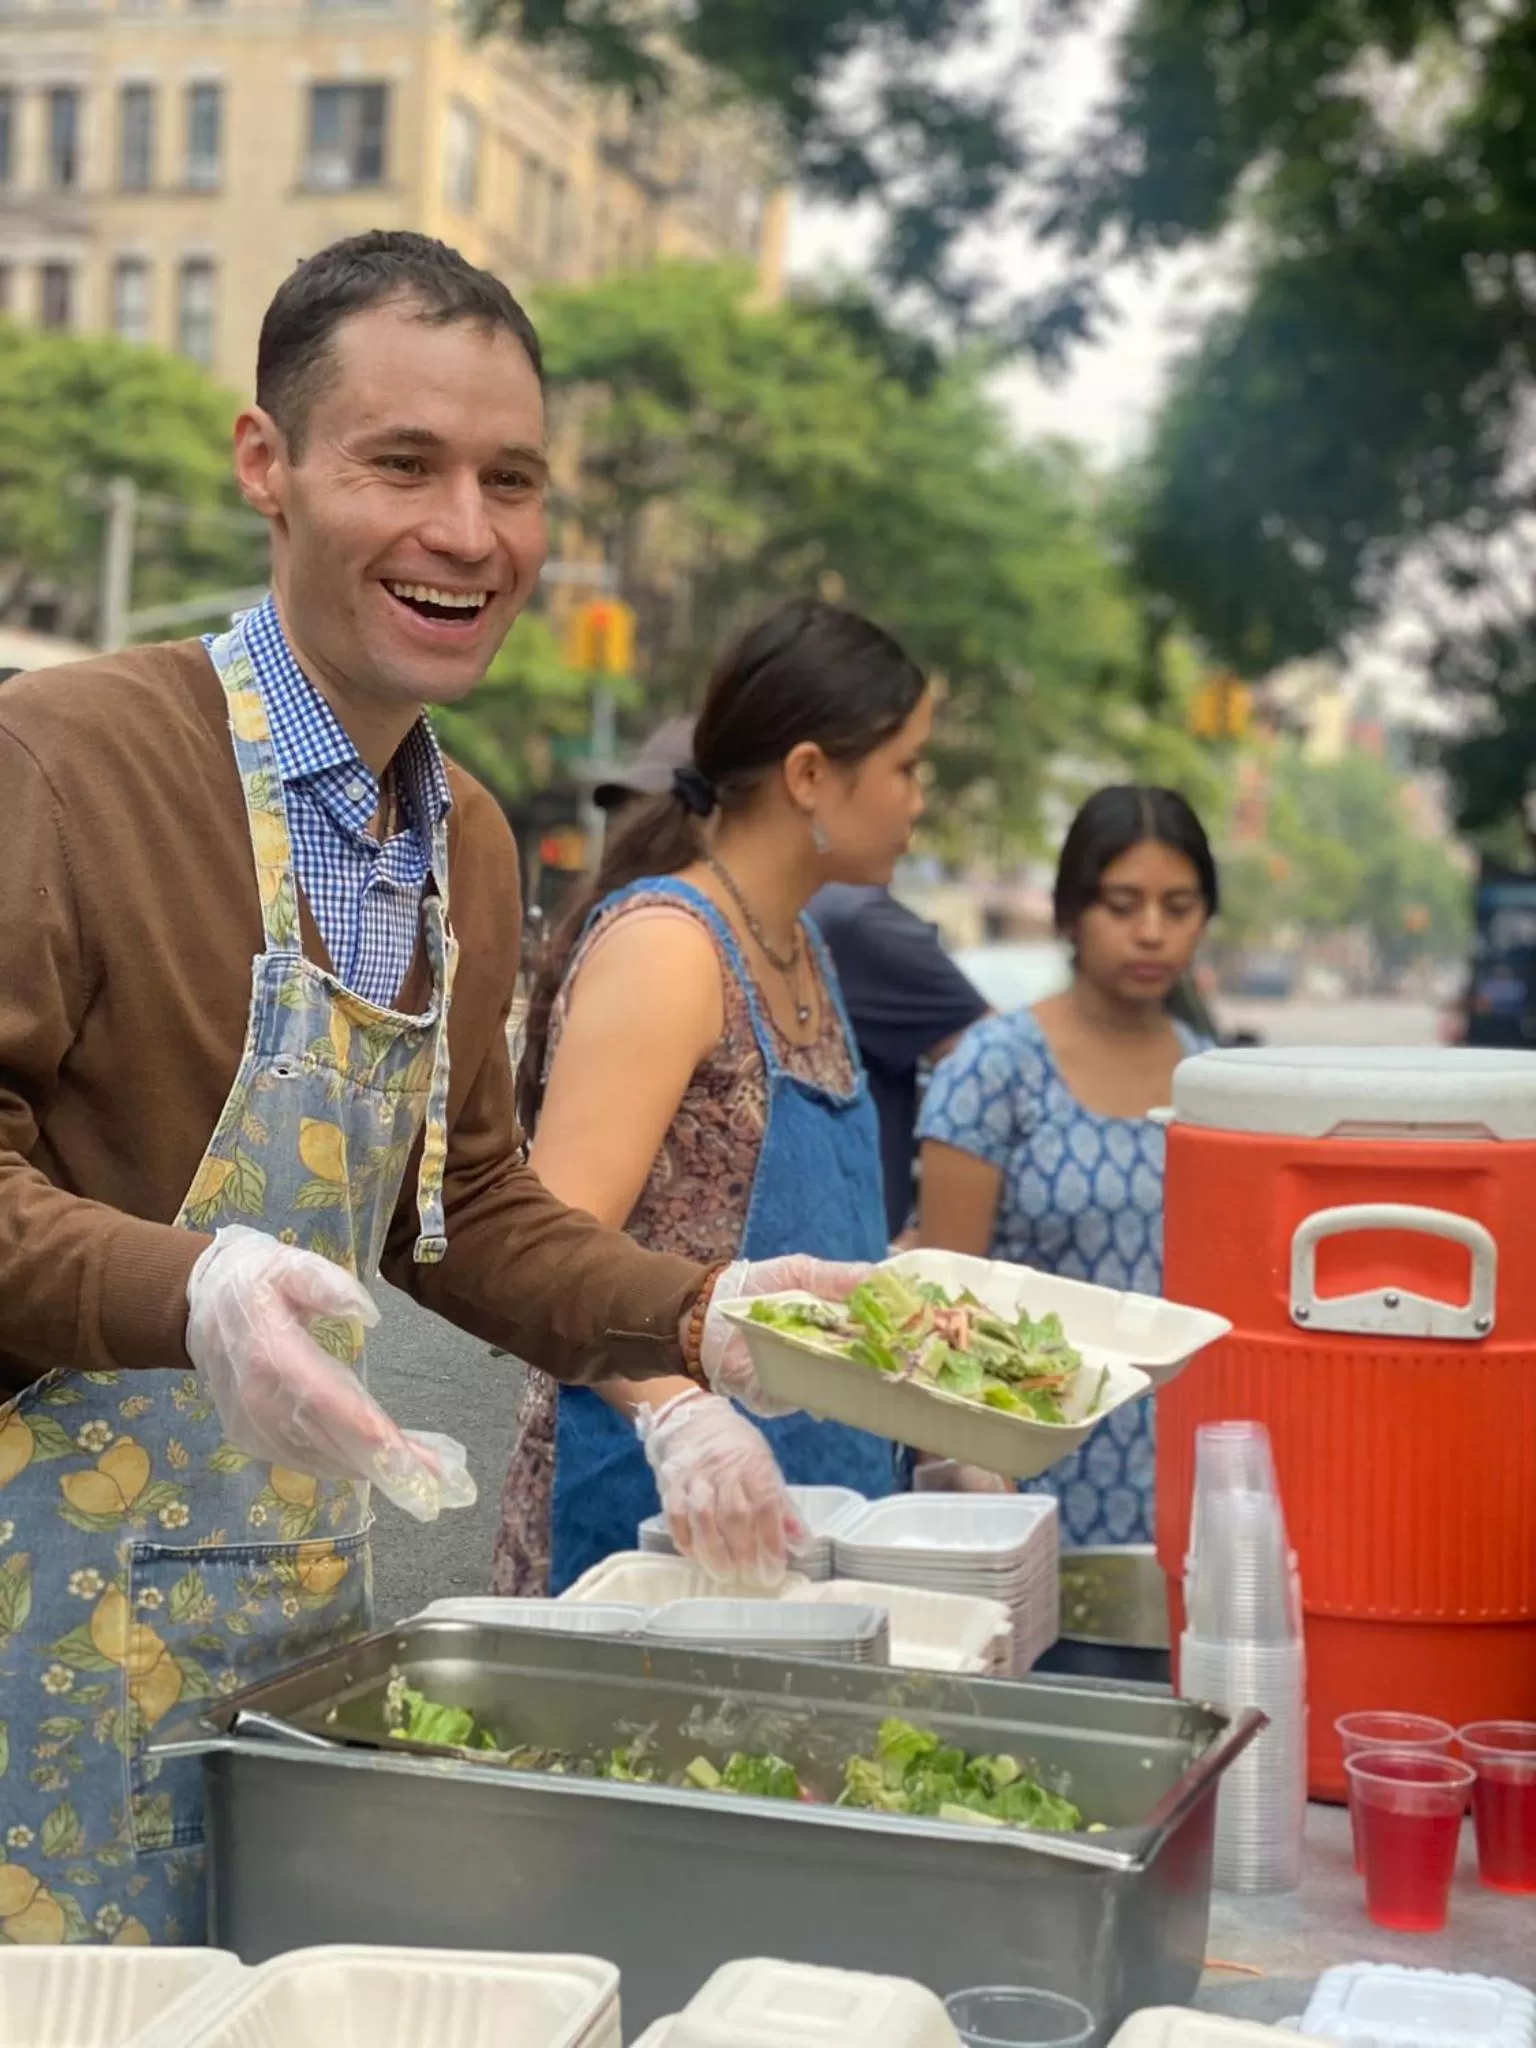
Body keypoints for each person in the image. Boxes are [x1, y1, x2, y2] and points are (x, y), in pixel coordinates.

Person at [0, 231, 855, 1943]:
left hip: (295, 1627)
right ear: (268, 464)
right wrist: (197, 1286)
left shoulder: (462, 837)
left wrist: (701, 1319)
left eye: (510, 479)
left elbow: (462, 1211)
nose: (469, 532)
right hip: (35, 1634)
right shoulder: (65, 760)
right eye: (403, 464)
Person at [492, 600, 932, 1597]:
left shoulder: (802, 945)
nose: (919, 799)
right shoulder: (670, 948)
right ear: (810, 774)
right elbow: (540, 1258)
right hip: (651, 1515)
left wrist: (936, 1422)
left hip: (811, 1517)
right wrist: (681, 1417)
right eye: (906, 766)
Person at [916, 786, 1219, 1544]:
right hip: (1022, 1483)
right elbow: (942, 1308)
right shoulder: (996, 1070)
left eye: (1178, 907)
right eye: (1122, 905)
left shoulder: (1213, 1082)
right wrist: (967, 1478)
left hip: (1183, 1481)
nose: (1152, 932)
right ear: (1070, 913)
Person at [590, 719, 989, 1241]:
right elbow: (571, 1232)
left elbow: (994, 1064)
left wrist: (930, 1237)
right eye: (903, 769)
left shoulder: (824, 932)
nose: (635, 832)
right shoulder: (655, 937)